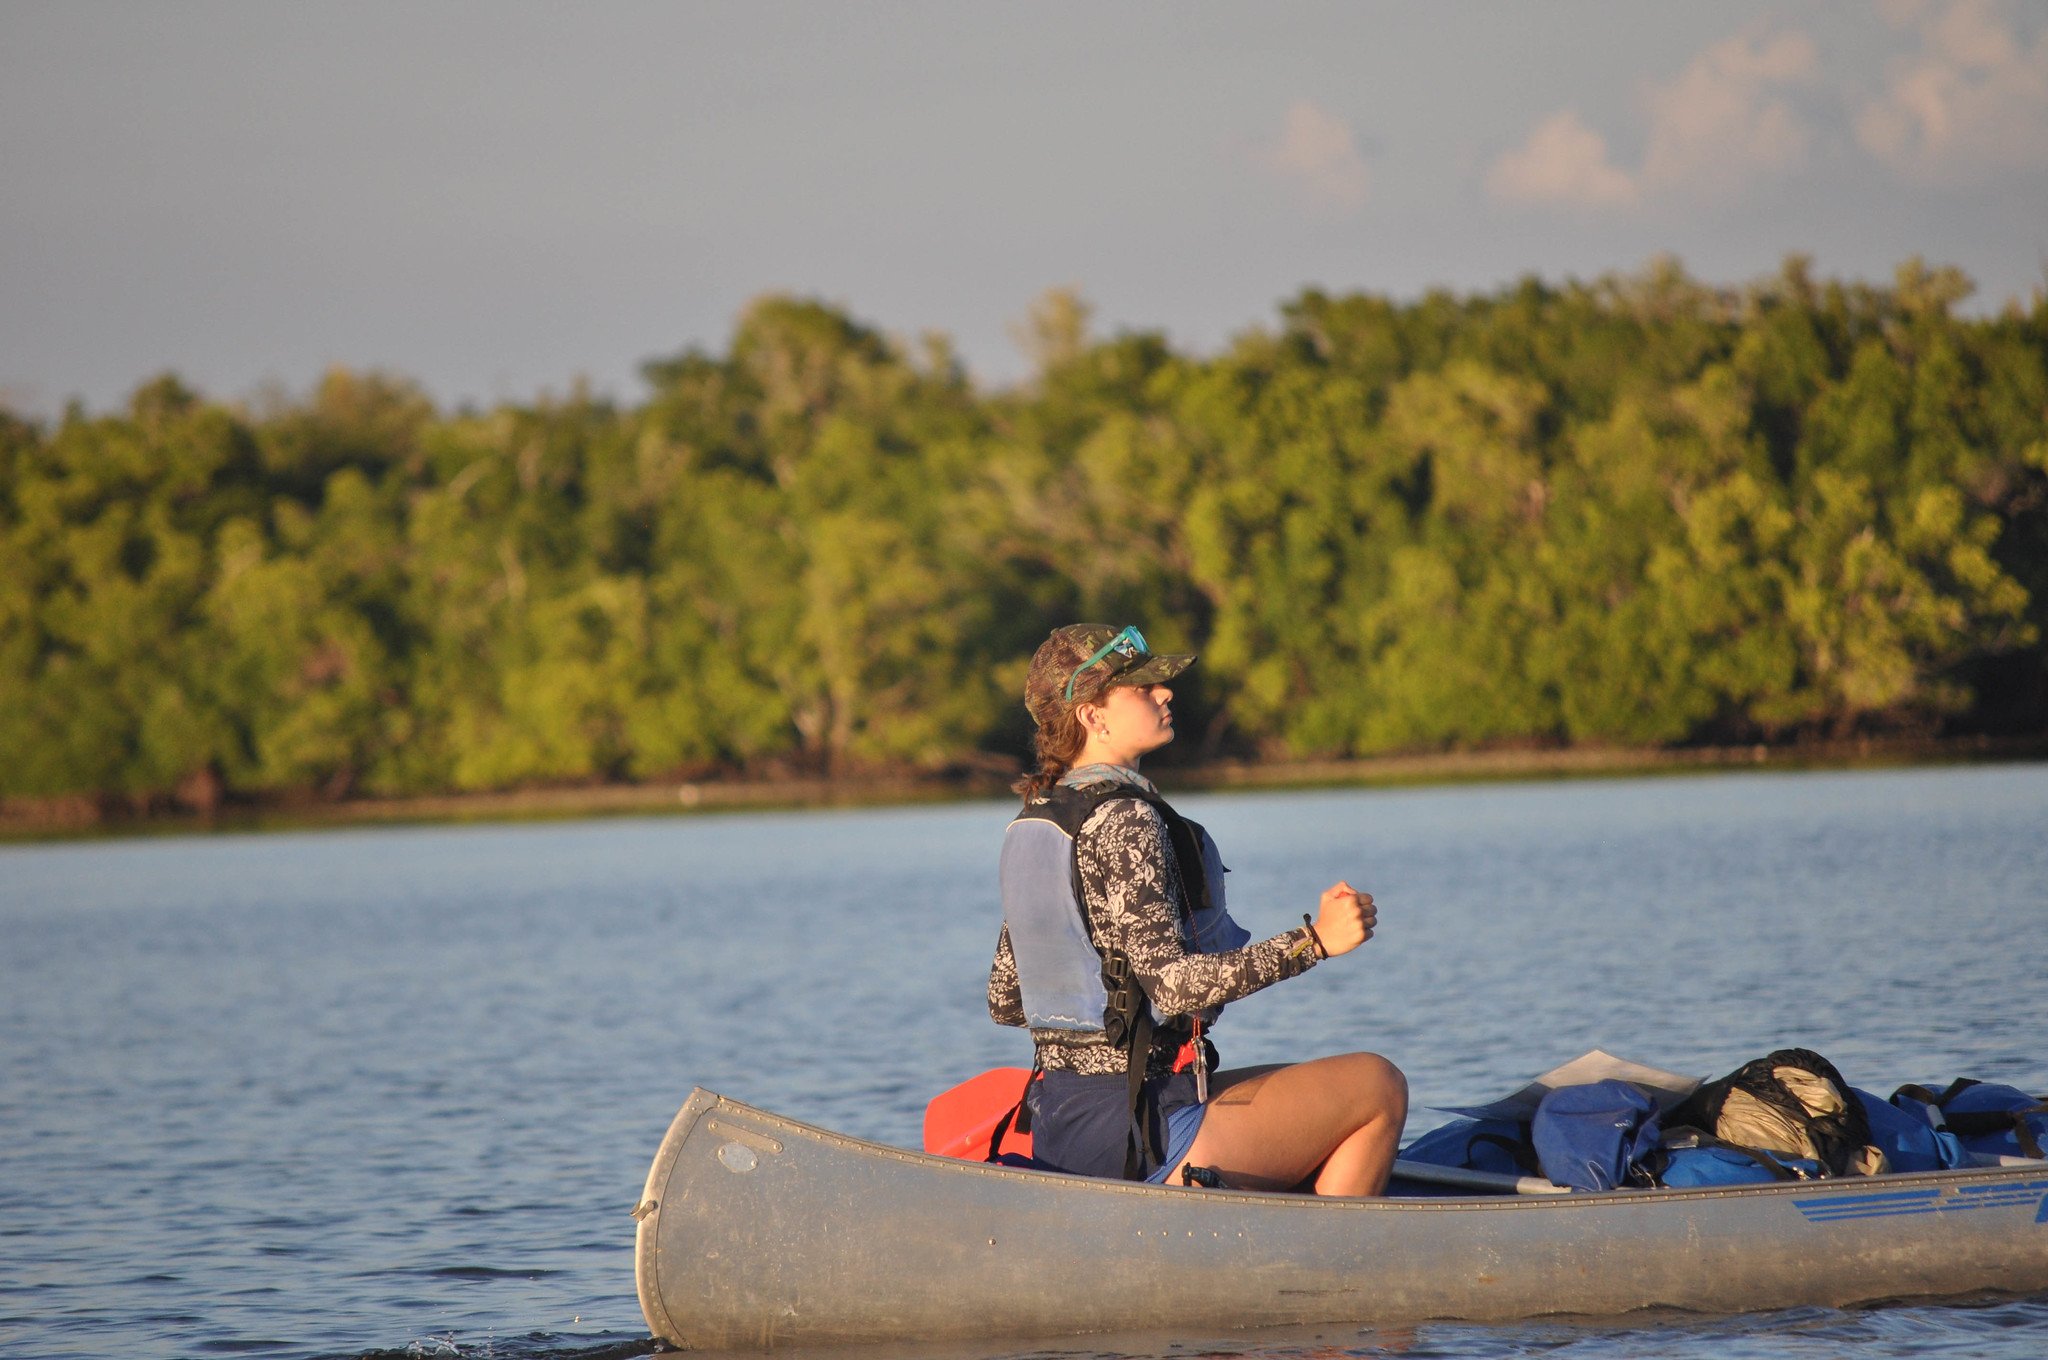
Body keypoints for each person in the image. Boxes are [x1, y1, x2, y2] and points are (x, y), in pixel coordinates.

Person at [989, 623, 1408, 1195]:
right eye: (1141, 688)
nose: (1165, 693)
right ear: (1092, 716)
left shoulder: (1032, 825)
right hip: (1142, 1132)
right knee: (1377, 1085)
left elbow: (1007, 1001)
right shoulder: (1127, 820)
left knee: (1303, 1083)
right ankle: (1329, 1267)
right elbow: (1174, 989)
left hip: (1062, 1125)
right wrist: (1314, 943)